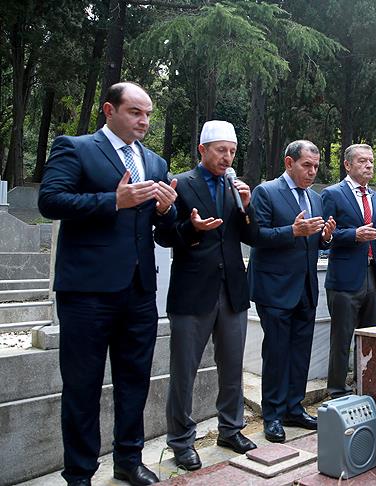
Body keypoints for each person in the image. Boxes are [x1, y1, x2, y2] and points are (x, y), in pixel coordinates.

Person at [38, 82, 177, 486]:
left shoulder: (154, 162)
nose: (145, 121)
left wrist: (167, 212)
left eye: (148, 114)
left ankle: (128, 461)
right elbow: (51, 201)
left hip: (138, 291)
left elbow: (164, 232)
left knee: (134, 380)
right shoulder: (76, 148)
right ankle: (80, 472)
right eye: (135, 112)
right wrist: (112, 201)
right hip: (87, 292)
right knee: (82, 386)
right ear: (108, 110)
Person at [154, 121, 258, 471]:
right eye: (221, 151)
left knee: (232, 368)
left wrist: (247, 206)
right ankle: (181, 440)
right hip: (192, 292)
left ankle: (231, 428)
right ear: (202, 150)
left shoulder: (235, 186)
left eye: (232, 151)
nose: (227, 158)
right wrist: (191, 227)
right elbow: (165, 237)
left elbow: (250, 236)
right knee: (184, 371)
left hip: (232, 292)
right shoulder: (181, 184)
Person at [248, 140, 335, 443]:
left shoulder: (316, 198)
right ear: (289, 163)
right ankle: (272, 415)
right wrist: (293, 231)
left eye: (315, 166)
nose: (312, 171)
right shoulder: (267, 192)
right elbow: (256, 236)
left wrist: (324, 237)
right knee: (277, 353)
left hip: (307, 288)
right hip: (275, 288)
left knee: (300, 353)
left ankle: (293, 407)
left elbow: (315, 243)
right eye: (306, 165)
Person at [321, 144, 376, 399]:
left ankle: (365, 383)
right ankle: (338, 390)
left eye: (371, 161)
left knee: (368, 336)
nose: (369, 165)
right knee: (341, 338)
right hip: (345, 277)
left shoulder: (374, 197)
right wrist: (353, 234)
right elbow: (325, 235)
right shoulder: (332, 194)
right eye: (362, 161)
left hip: (373, 275)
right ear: (348, 165)